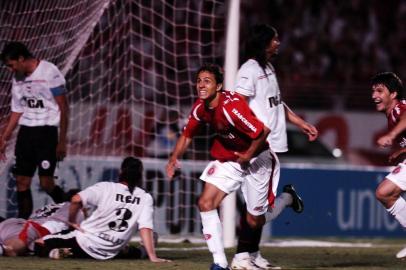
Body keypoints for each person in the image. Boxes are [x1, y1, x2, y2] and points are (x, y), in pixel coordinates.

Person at [166, 63, 285, 270]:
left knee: (253, 221)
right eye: (199, 81)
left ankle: (288, 199)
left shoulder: (232, 107)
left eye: (207, 81)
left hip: (258, 159)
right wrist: (173, 159)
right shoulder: (200, 108)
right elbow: (187, 135)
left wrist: (248, 155)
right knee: (205, 202)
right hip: (229, 159)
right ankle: (219, 263)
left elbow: (262, 132)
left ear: (219, 86)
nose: (201, 85)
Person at [230, 24, 319, 270]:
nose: (278, 42)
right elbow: (239, 106)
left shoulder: (267, 67)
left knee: (255, 206)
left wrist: (299, 122)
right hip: (260, 145)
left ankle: (253, 254)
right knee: (255, 212)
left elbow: (276, 102)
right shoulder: (249, 70)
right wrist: (253, 138)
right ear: (263, 42)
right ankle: (241, 258)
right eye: (274, 39)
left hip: (270, 145)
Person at [34, 156, 170, 263]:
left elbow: (76, 199)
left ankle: (64, 252)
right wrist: (153, 257)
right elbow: (145, 228)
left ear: (121, 172)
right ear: (140, 175)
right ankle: (143, 252)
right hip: (111, 250)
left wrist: (72, 222)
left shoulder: (106, 187)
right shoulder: (145, 197)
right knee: (132, 250)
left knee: (38, 244)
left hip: (85, 241)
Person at [0, 41, 69, 219]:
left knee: (46, 183)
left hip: (47, 133)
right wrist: (4, 137)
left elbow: (64, 107)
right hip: (26, 132)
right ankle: (22, 224)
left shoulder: (49, 71)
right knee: (21, 181)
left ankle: (72, 210)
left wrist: (62, 141)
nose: (11, 70)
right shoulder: (17, 78)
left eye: (11, 65)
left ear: (21, 59)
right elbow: (17, 110)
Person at [371, 72, 406, 259]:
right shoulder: (393, 114)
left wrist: (392, 136)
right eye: (373, 91)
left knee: (384, 192)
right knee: (386, 193)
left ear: (393, 94)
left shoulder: (399, 109)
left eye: (379, 91)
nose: (374, 96)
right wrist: (402, 151)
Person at [0, 196, 84, 257]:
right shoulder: (77, 209)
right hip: (34, 228)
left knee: (42, 249)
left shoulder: (55, 206)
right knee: (11, 249)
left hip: (15, 224)